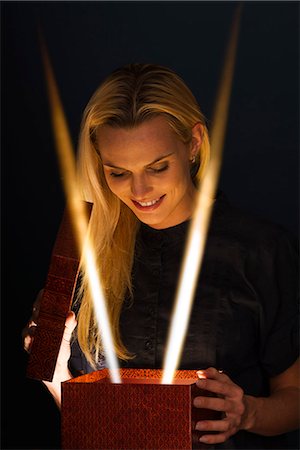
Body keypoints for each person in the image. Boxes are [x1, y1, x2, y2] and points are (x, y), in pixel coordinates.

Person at [24, 63, 299, 449]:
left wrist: (248, 412)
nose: (140, 190)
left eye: (157, 166)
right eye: (117, 172)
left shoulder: (262, 250)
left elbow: (295, 398)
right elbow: (81, 417)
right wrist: (53, 371)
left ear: (193, 142)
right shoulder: (82, 253)